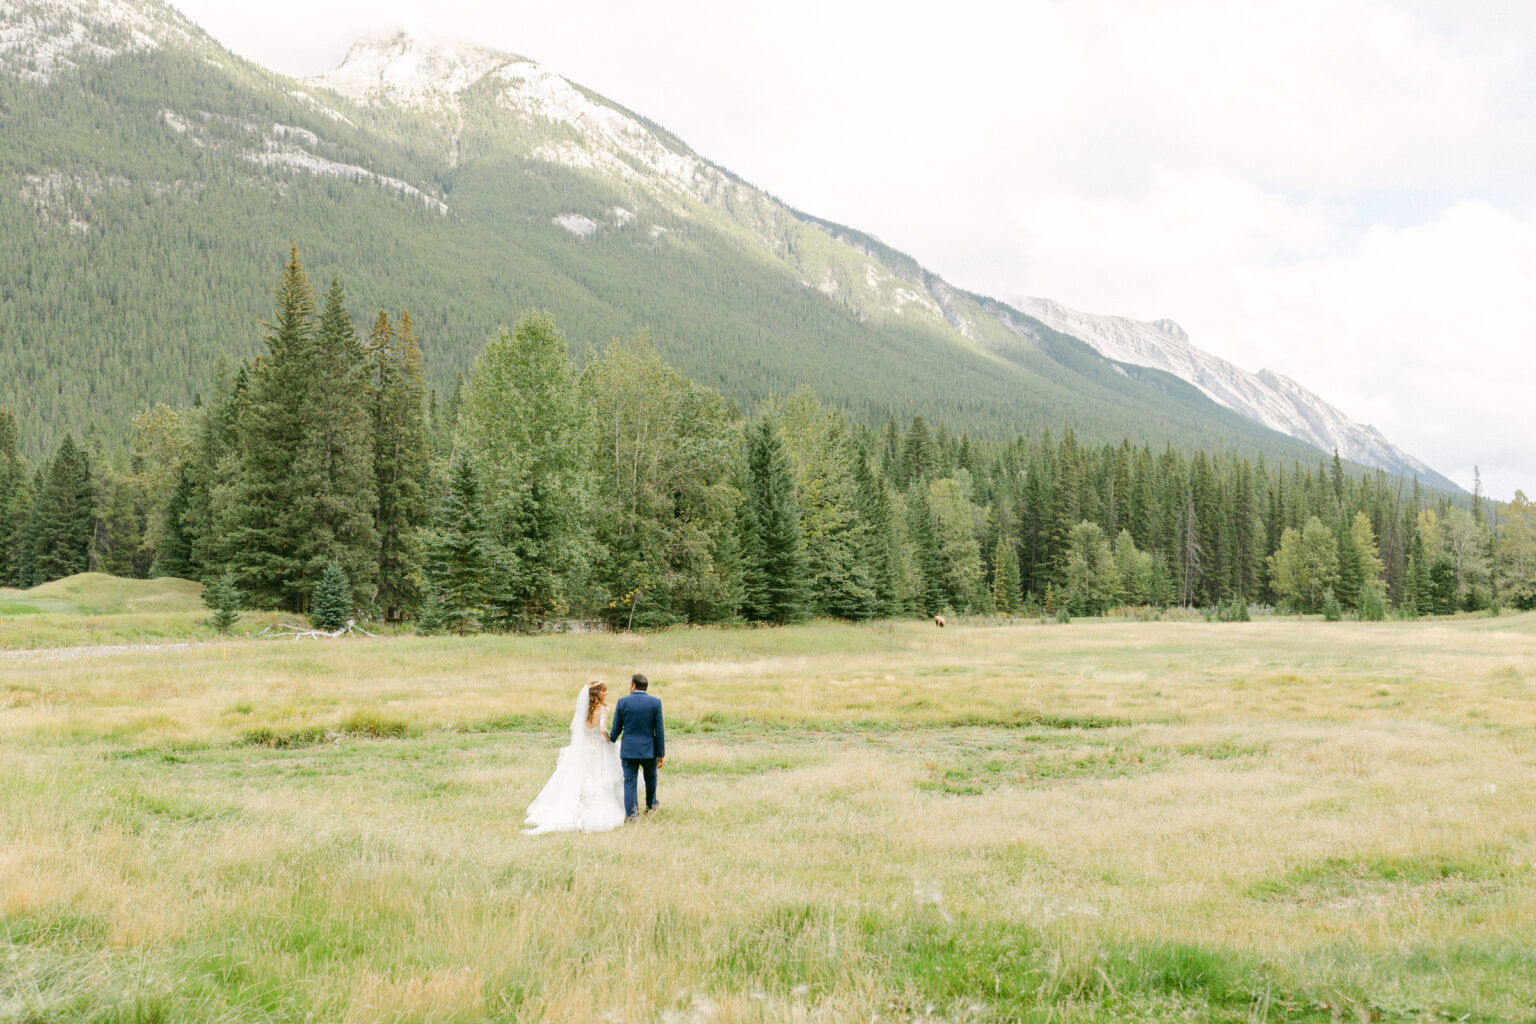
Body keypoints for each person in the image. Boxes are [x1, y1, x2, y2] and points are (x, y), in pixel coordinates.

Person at [522, 681, 625, 834]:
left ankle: (577, 804)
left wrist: (584, 737)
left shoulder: (582, 710)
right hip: (598, 746)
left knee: (581, 776)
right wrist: (609, 739)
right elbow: (603, 728)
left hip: (583, 747)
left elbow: (572, 728)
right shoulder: (604, 709)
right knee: (598, 777)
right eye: (604, 691)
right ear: (597, 693)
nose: (606, 693)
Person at [608, 672, 665, 820]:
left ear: (633, 686)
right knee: (651, 778)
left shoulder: (622, 702)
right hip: (649, 749)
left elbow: (617, 728)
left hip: (629, 749)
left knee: (629, 781)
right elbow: (659, 730)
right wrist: (661, 753)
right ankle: (651, 807)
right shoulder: (655, 702)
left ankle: (633, 815)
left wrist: (611, 740)